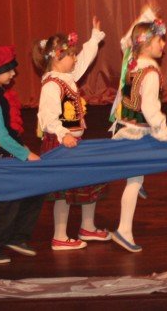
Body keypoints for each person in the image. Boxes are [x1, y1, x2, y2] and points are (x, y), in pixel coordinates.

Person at [35, 17, 108, 251]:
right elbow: (47, 119)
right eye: (71, 55)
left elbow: (84, 61)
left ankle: (87, 226)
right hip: (60, 145)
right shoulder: (51, 85)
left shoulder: (66, 77)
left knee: (90, 179)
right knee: (63, 193)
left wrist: (94, 38)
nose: (75, 59)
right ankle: (59, 236)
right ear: (57, 58)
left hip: (74, 143)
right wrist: (62, 134)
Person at [108, 6, 167, 253]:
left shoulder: (131, 62)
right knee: (134, 181)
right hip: (135, 133)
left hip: (123, 128)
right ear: (146, 44)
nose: (163, 44)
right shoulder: (151, 72)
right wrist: (163, 129)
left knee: (136, 176)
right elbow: (149, 108)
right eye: (159, 40)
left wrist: (145, 16)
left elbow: (126, 41)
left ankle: (138, 176)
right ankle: (124, 230)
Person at [0, 45, 43, 264]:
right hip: (4, 160)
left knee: (34, 192)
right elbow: (2, 137)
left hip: (11, 157)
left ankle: (17, 237)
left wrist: (24, 150)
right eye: (9, 70)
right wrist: (26, 154)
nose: (14, 73)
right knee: (9, 205)